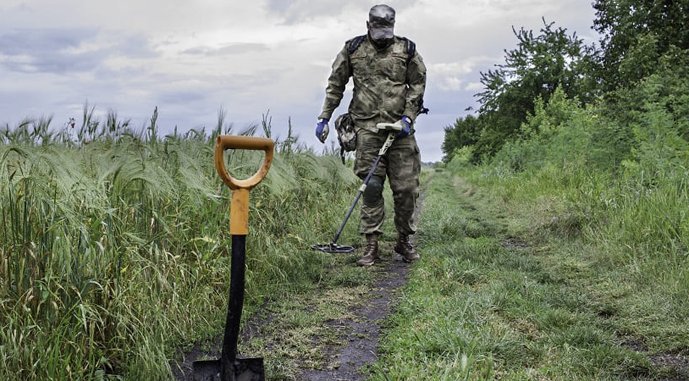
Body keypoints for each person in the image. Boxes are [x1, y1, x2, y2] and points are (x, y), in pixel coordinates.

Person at [315, 4, 427, 266]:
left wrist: (409, 116)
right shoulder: (352, 49)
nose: (382, 37)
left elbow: (418, 83)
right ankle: (371, 245)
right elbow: (336, 84)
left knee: (406, 189)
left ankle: (404, 240)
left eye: (387, 32)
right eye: (378, 32)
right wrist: (324, 117)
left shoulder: (407, 49)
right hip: (366, 129)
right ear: (368, 26)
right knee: (372, 187)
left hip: (400, 133)